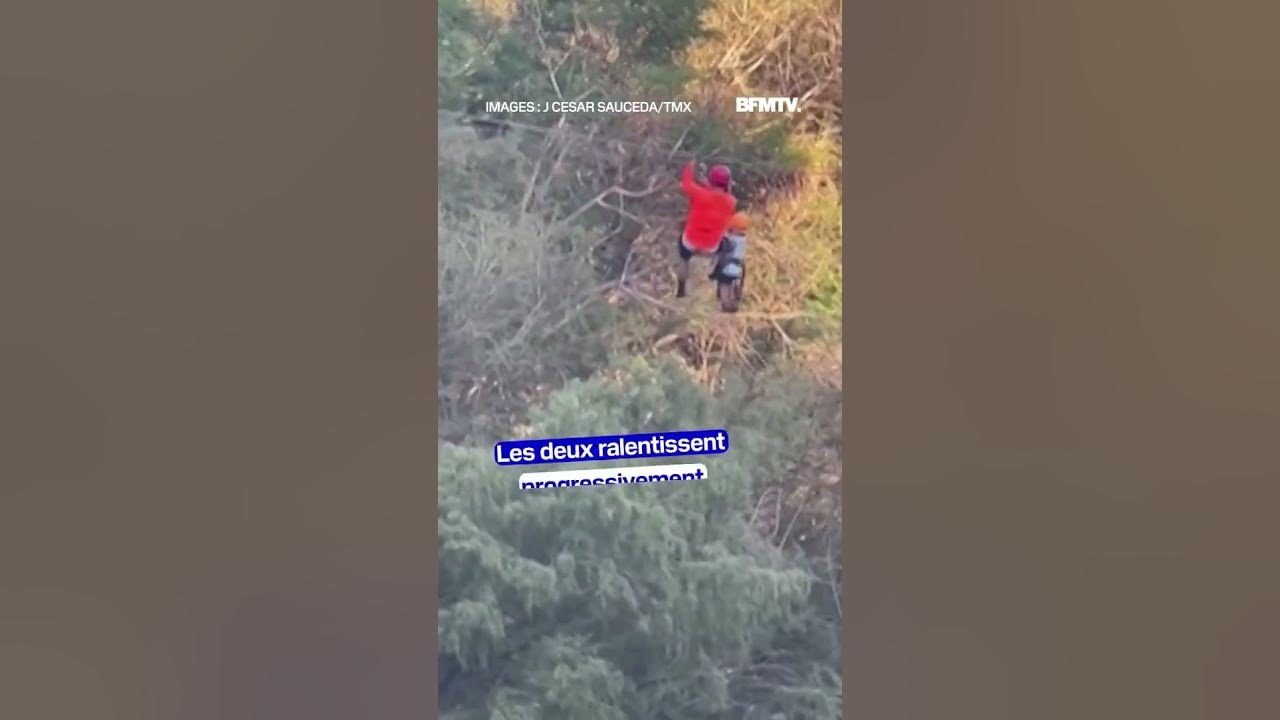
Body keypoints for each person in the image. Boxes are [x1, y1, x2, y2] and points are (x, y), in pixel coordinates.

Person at [675, 160, 737, 298]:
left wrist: (690, 164)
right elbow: (720, 197)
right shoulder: (731, 202)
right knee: (731, 247)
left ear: (710, 180)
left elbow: (686, 183)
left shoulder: (698, 193)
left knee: (682, 255)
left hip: (690, 241)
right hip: (711, 246)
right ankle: (718, 272)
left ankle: (681, 288)